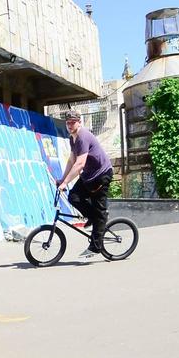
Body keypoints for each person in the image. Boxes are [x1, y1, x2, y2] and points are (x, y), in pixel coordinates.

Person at [59, 111, 114, 258]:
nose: (70, 125)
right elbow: (71, 161)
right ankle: (94, 217)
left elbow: (79, 164)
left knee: (100, 212)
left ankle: (96, 247)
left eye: (73, 122)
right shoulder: (73, 139)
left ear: (79, 122)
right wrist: (62, 179)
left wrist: (65, 182)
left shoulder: (83, 137)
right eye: (68, 123)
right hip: (89, 176)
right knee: (74, 197)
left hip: (101, 176)